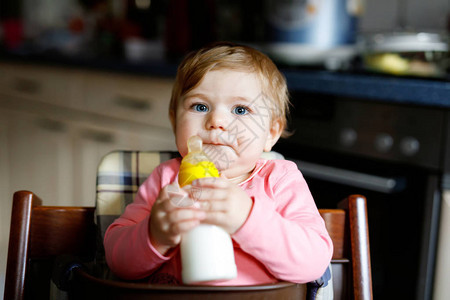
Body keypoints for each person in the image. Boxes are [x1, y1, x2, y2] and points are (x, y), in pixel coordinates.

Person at [104, 42, 333, 285]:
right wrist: (155, 234)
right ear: (175, 121)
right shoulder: (166, 179)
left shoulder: (279, 180)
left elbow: (314, 263)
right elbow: (117, 261)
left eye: (241, 110)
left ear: (270, 132)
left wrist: (248, 219)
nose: (217, 121)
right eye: (200, 106)